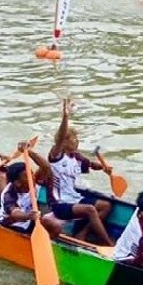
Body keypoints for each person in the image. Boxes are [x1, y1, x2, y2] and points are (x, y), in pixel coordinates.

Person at [48, 99, 113, 246]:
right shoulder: (56, 155)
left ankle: (82, 234)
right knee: (90, 209)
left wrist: (104, 168)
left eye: (77, 138)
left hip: (75, 198)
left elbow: (92, 165)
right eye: (73, 138)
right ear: (63, 142)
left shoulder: (77, 157)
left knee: (106, 205)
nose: (77, 141)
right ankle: (108, 244)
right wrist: (65, 116)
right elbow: (60, 136)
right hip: (59, 204)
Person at [0, 160, 63, 239]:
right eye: (27, 176)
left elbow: (46, 167)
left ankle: (41, 244)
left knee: (55, 226)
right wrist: (28, 216)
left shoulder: (35, 181)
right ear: (18, 183)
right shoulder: (9, 194)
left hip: (29, 221)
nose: (33, 177)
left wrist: (29, 151)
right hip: (11, 223)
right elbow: (15, 214)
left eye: (31, 173)